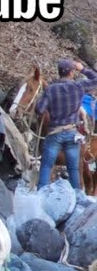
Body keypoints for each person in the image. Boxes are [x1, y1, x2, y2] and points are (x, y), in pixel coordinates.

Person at [35, 58, 97, 192]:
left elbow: (39, 109)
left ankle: (40, 196)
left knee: (46, 166)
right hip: (71, 133)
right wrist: (83, 69)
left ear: (59, 72)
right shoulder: (78, 87)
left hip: (54, 134)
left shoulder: (50, 90)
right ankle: (77, 198)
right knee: (74, 168)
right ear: (71, 72)